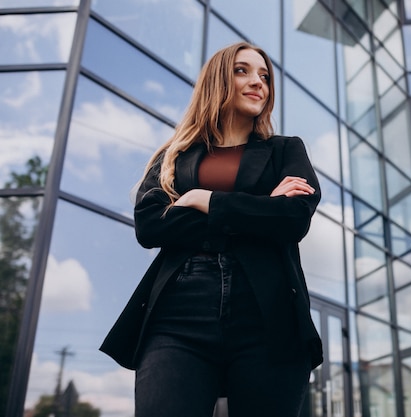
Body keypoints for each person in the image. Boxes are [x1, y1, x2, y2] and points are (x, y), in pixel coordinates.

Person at [99, 41, 323, 417]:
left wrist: (204, 199)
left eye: (264, 76)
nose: (258, 83)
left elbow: (292, 218)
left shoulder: (286, 151)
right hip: (179, 311)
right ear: (217, 81)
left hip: (266, 315)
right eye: (243, 71)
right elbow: (151, 225)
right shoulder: (173, 156)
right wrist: (260, 207)